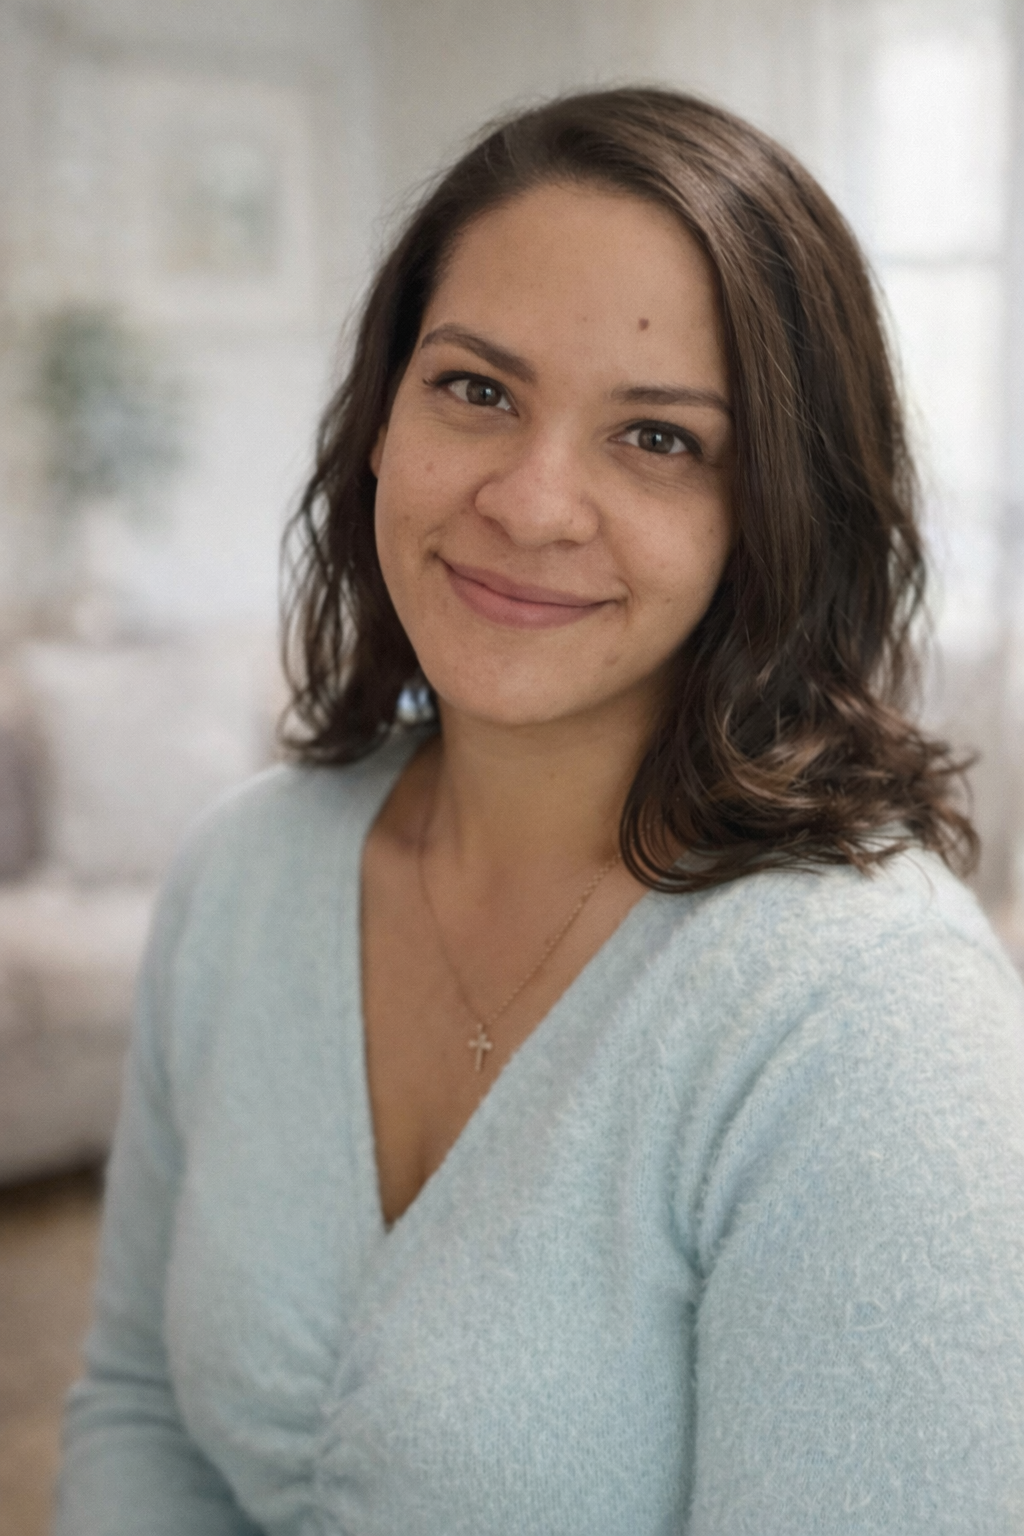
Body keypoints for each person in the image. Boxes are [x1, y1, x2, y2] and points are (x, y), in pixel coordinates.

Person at [56, 88, 1024, 1535]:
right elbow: (140, 1406)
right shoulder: (243, 871)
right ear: (381, 418)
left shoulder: (873, 1023)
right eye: (477, 390)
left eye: (660, 439)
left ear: (776, 517)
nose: (530, 502)